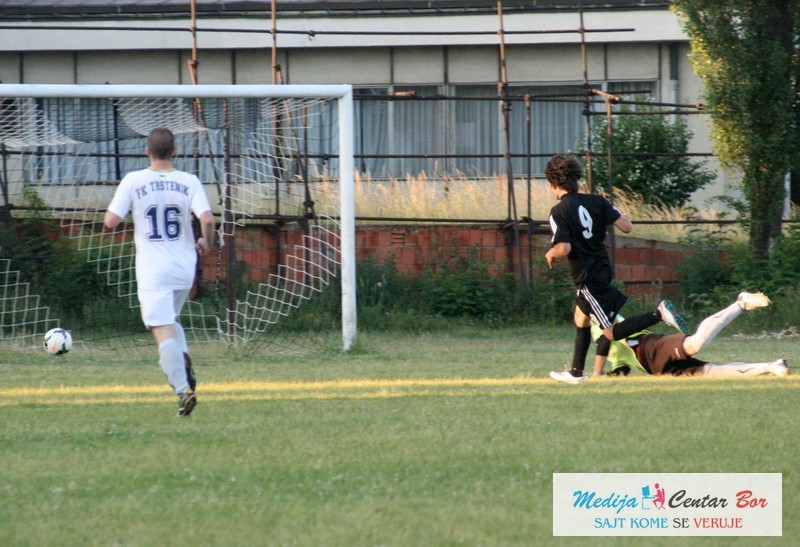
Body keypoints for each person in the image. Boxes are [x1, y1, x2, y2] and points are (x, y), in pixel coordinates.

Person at [543, 153, 689, 385]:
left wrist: (551, 253)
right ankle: (575, 372)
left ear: (552, 184)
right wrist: (625, 216)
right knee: (580, 318)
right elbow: (626, 227)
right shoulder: (597, 200)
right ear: (577, 180)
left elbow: (564, 247)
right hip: (602, 267)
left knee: (609, 332)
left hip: (587, 277)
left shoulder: (557, 212)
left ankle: (659, 313)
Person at [104, 127, 215, 417]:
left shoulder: (134, 180)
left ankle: (183, 389)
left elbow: (111, 221)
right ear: (174, 151)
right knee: (171, 321)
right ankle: (184, 361)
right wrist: (207, 241)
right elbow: (207, 218)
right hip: (183, 268)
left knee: (161, 330)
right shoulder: (189, 181)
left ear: (147, 151)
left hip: (154, 271)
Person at [591, 291, 788, 377]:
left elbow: (604, 340)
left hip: (649, 347)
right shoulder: (593, 332)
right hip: (656, 368)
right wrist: (612, 374)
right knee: (713, 373)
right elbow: (623, 366)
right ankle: (772, 366)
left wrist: (596, 373)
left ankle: (741, 303)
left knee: (696, 343)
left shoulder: (599, 318)